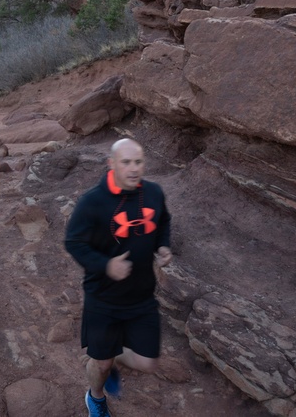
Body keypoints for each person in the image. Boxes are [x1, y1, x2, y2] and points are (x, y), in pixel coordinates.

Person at [64, 138, 172, 417]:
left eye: (138, 162)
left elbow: (163, 222)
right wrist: (106, 264)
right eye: (126, 162)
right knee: (100, 364)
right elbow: (74, 242)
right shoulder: (92, 202)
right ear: (111, 164)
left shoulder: (153, 193)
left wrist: (163, 245)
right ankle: (95, 396)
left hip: (141, 295)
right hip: (103, 296)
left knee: (148, 362)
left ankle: (110, 355)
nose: (133, 168)